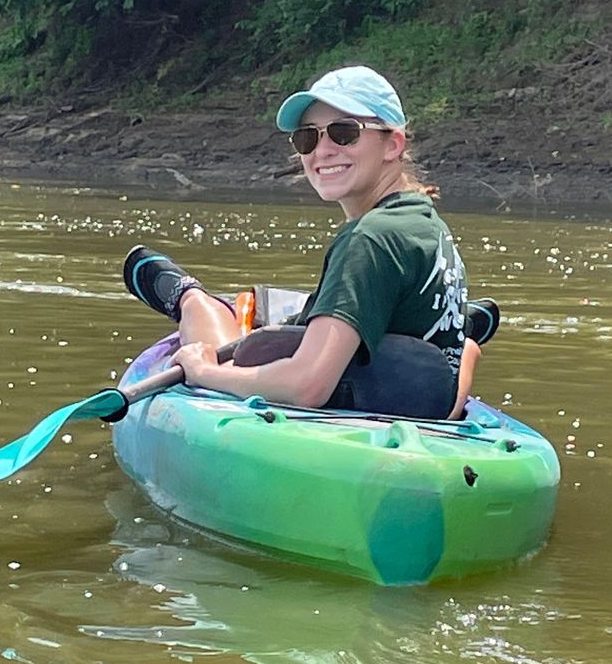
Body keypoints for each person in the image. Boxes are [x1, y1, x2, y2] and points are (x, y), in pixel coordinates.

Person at [122, 65, 492, 421]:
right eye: (308, 137)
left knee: (234, 350)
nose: (323, 150)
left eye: (344, 132)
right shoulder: (425, 218)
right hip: (395, 375)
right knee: (272, 338)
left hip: (364, 391)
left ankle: (191, 298)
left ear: (393, 144)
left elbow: (308, 386)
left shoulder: (369, 239)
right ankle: (465, 333)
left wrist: (203, 371)